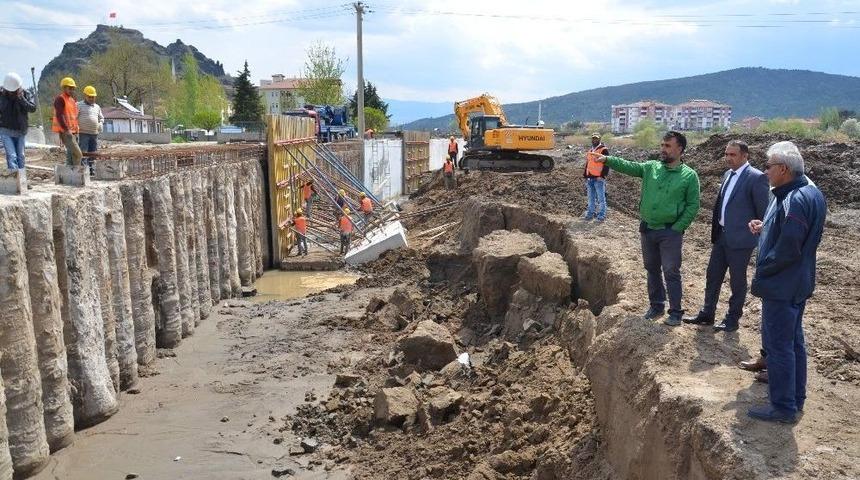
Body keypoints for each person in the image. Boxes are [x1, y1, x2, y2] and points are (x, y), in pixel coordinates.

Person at [745, 141, 826, 424]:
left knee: (779, 346)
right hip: (798, 282)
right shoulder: (810, 193)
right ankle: (796, 398)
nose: (765, 172)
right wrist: (765, 228)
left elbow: (789, 247)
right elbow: (791, 234)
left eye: (768, 167)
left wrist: (764, 269)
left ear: (782, 169)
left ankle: (782, 407)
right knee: (794, 343)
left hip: (783, 283)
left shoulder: (795, 199)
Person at [590, 131, 700, 326]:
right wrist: (607, 159)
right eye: (662, 145)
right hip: (648, 228)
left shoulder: (689, 176)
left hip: (670, 232)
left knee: (671, 270)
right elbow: (629, 166)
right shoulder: (651, 167)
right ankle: (656, 305)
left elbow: (693, 205)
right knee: (652, 269)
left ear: (680, 149)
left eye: (667, 146)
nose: (663, 149)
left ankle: (675, 312)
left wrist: (678, 227)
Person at [684, 140, 769, 333]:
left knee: (737, 281)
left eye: (733, 155)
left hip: (741, 240)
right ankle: (707, 313)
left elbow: (763, 213)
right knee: (712, 276)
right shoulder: (727, 175)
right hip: (722, 236)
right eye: (727, 154)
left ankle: (732, 319)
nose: (728, 158)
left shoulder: (756, 178)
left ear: (745, 156)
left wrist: (754, 233)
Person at [0, 72, 37, 171]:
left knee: (21, 156)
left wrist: (21, 98)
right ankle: (16, 181)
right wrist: (5, 98)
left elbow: (33, 108)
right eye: (10, 91)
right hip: (5, 131)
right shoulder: (1, 95)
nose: (12, 93)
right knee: (12, 156)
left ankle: (22, 180)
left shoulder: (26, 94)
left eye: (14, 91)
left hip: (21, 131)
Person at [52, 77, 82, 167]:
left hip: (73, 132)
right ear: (64, 88)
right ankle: (76, 173)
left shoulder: (72, 100)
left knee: (72, 155)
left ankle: (69, 176)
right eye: (70, 88)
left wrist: (76, 130)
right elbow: (60, 116)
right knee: (78, 154)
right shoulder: (60, 99)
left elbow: (73, 117)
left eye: (73, 88)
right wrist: (66, 129)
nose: (72, 90)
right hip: (66, 132)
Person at [582, 133, 610, 222]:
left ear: (599, 139)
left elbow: (607, 164)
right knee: (591, 198)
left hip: (598, 178)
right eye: (593, 138)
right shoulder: (591, 150)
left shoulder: (603, 150)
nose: (594, 140)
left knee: (601, 199)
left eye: (596, 139)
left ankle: (601, 216)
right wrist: (585, 175)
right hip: (590, 178)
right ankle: (590, 214)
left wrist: (602, 176)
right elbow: (588, 163)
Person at [77, 85, 103, 175]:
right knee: (84, 152)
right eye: (90, 97)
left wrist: (100, 123)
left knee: (93, 152)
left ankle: (92, 170)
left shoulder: (97, 107)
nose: (92, 99)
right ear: (85, 96)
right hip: (83, 133)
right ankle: (84, 170)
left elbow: (101, 118)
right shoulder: (78, 105)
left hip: (94, 133)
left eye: (93, 97)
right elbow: (74, 117)